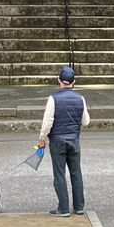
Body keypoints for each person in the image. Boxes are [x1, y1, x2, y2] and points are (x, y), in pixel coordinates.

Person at [37, 65, 90, 216]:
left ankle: (63, 208)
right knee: (76, 173)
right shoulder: (80, 98)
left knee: (59, 174)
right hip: (74, 140)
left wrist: (42, 139)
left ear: (58, 80)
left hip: (57, 140)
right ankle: (79, 206)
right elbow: (86, 121)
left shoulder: (53, 99)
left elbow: (47, 123)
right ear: (74, 82)